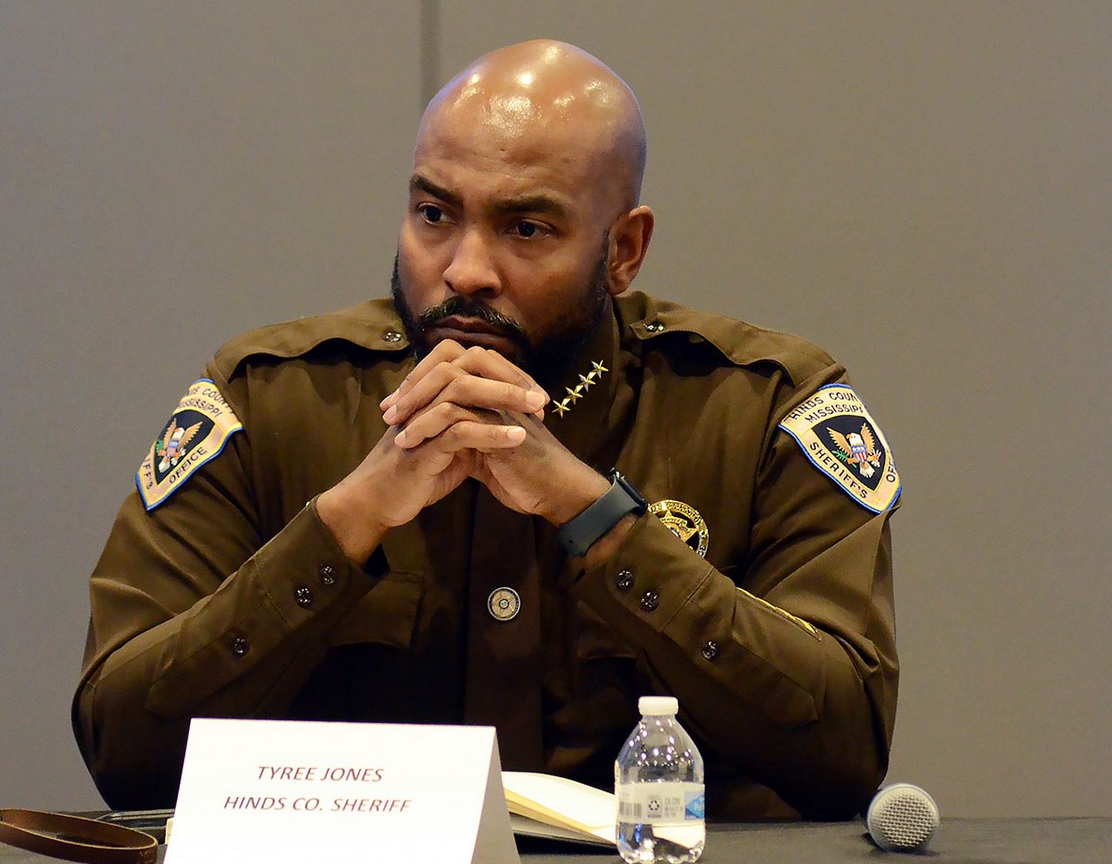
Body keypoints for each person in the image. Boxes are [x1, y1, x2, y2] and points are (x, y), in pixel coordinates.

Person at [74, 40, 900, 820]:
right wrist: (346, 522)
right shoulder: (272, 400)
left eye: (526, 229)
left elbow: (846, 744)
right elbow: (123, 745)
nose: (465, 270)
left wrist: (602, 522)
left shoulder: (760, 408)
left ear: (624, 249)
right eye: (434, 214)